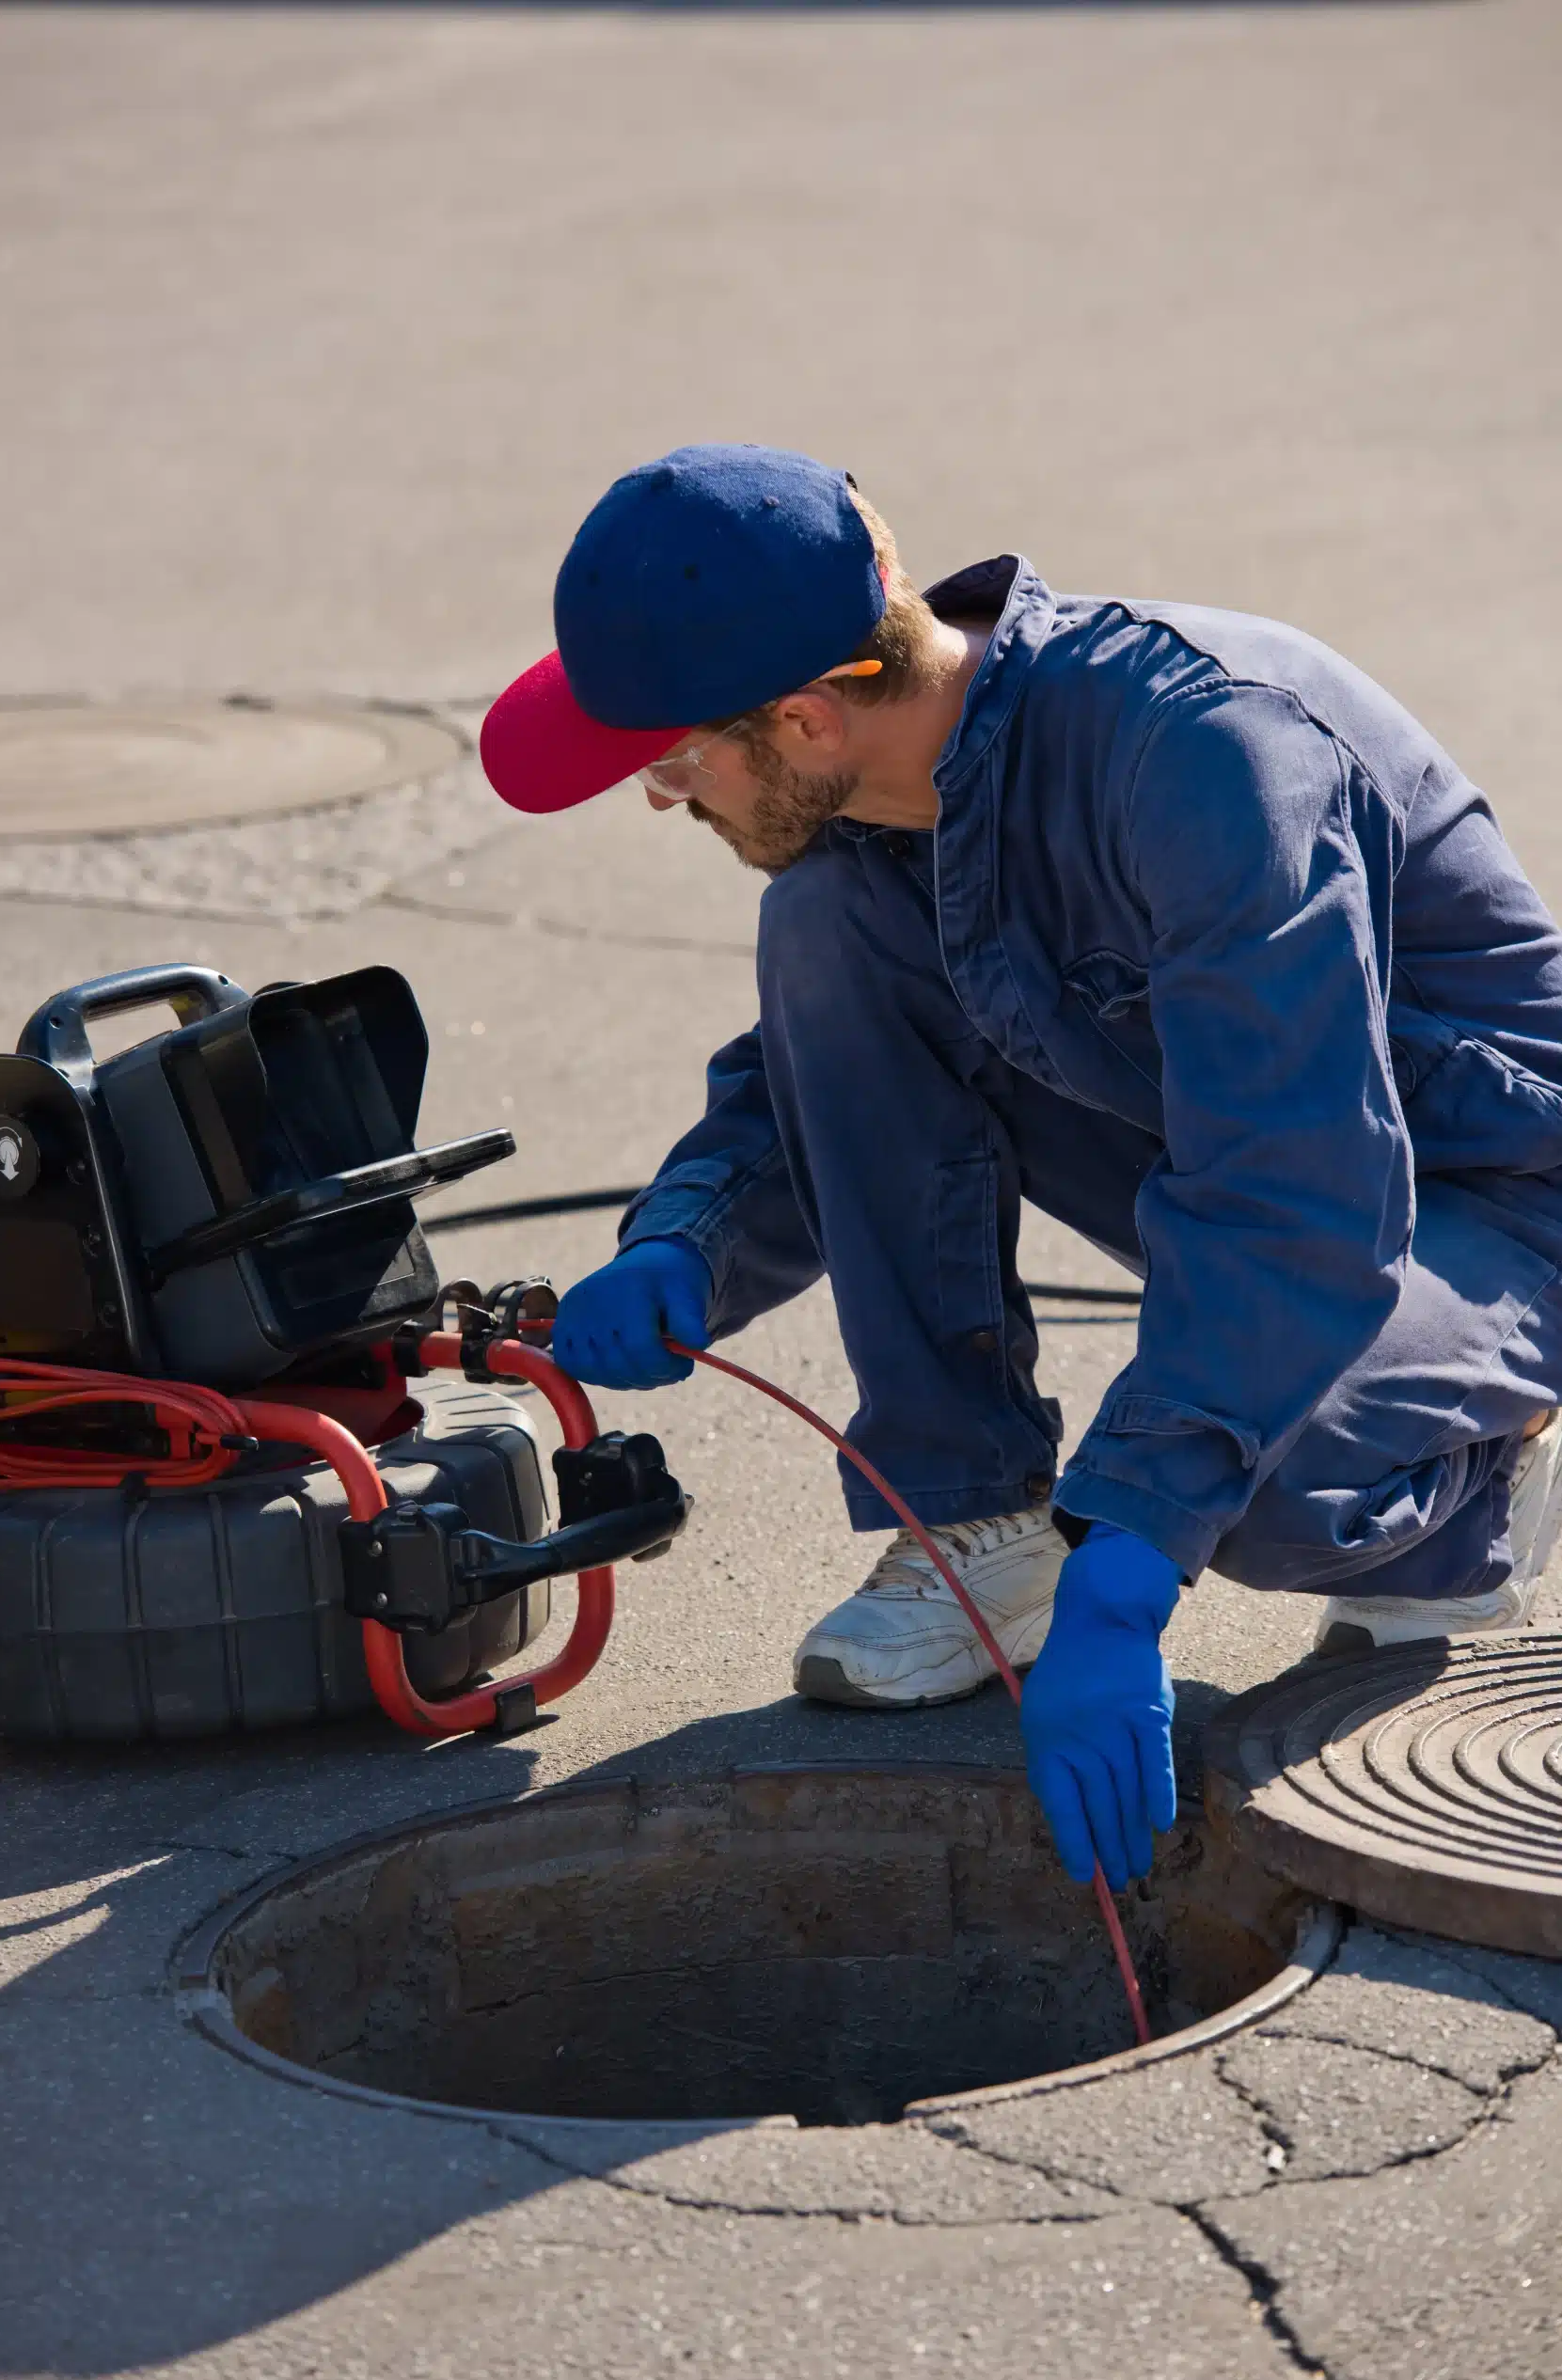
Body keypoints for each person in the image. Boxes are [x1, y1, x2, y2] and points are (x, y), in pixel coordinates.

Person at [480, 442, 1562, 1894]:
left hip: (1484, 1193)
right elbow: (843, 1063)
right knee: (825, 925)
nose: (661, 797)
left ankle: (1469, 1499)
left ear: (803, 719)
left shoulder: (1209, 759)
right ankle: (980, 1519)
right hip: (1248, 1141)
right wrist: (693, 1237)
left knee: (1257, 1480)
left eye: (672, 758)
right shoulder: (890, 783)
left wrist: (1129, 1552)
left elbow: (1298, 1191)